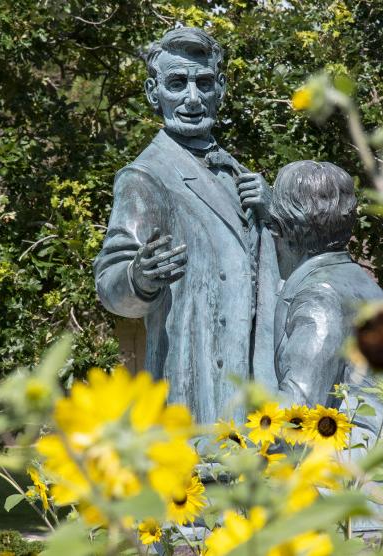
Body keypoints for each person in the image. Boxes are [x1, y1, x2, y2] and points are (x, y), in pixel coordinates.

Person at [94, 25, 279, 424]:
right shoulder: (145, 177)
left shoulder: (242, 176)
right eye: (177, 83)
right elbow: (111, 286)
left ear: (221, 89)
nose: (192, 98)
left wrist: (275, 212)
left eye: (204, 83)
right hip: (196, 390)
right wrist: (139, 277)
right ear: (152, 92)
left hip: (258, 392)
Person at [269, 160, 383, 444]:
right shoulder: (359, 282)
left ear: (280, 229)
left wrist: (224, 456)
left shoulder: (320, 295)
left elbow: (298, 413)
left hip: (359, 474)